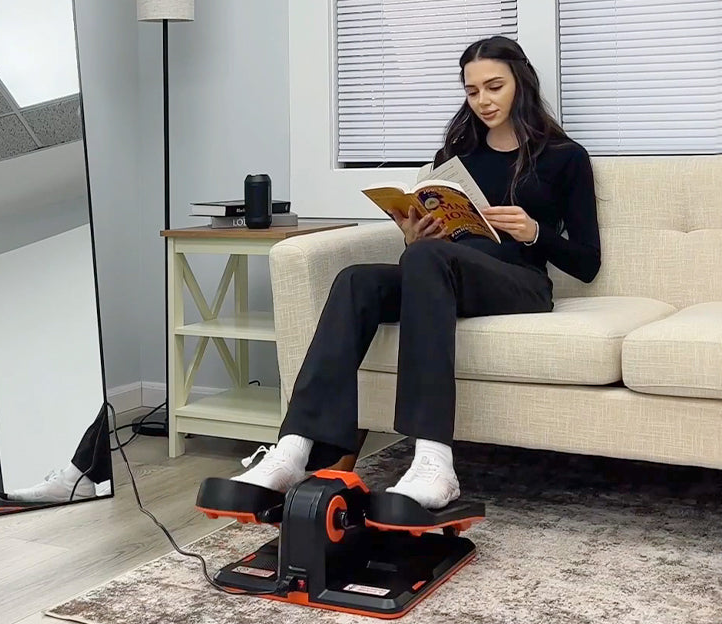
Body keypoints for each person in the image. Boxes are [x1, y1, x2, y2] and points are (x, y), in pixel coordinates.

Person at [230, 36, 601, 509]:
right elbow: (435, 245)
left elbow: (587, 263)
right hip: (448, 272)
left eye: (494, 86)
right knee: (357, 279)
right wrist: (416, 236)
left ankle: (434, 461)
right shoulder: (456, 156)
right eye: (472, 91)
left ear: (521, 82)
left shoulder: (565, 157)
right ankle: (294, 448)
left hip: (521, 283)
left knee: (424, 262)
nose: (483, 101)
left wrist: (534, 233)